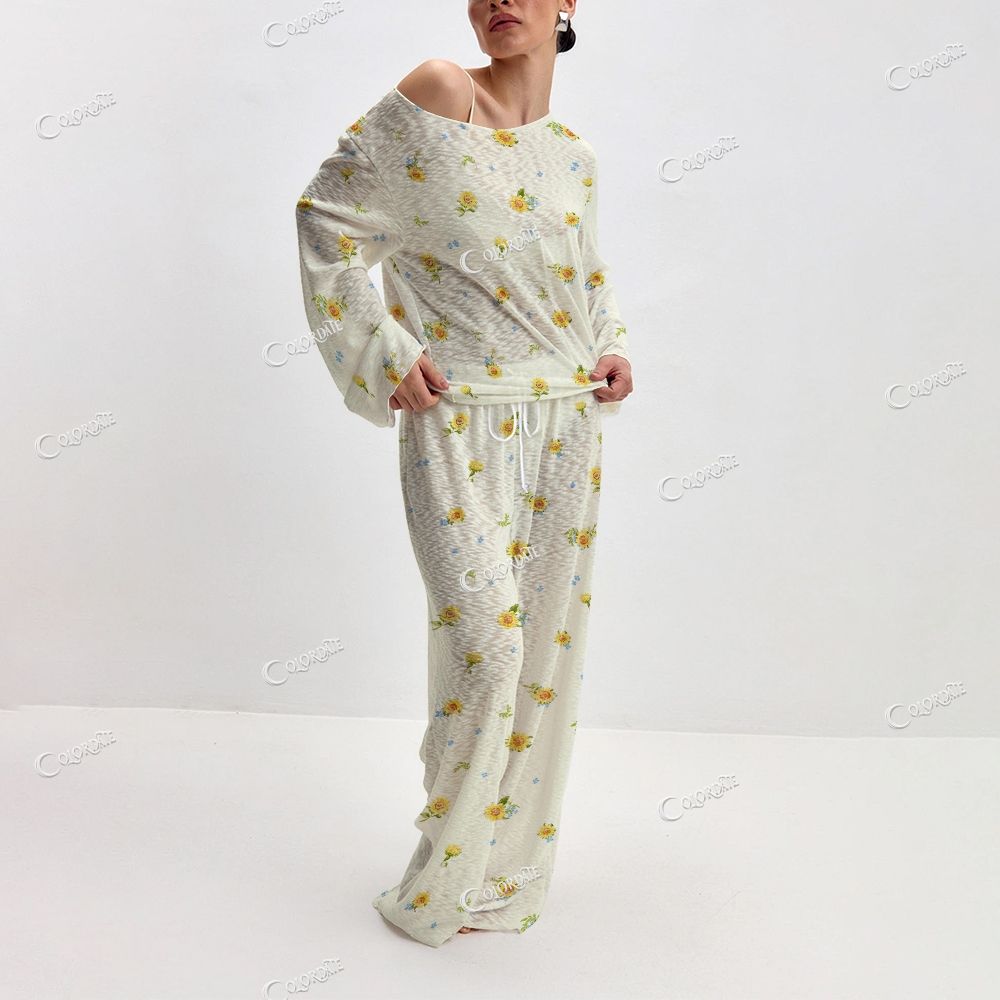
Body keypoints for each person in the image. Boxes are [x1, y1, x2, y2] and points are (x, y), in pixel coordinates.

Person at [295, 0, 633, 948]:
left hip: (567, 421)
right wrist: (382, 348)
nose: (498, 0)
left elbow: (585, 277)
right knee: (487, 650)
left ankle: (497, 871)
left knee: (542, 660)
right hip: (459, 420)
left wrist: (612, 344)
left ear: (569, 3)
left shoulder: (573, 157)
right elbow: (324, 218)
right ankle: (442, 872)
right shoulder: (442, 92)